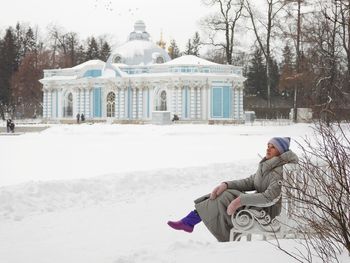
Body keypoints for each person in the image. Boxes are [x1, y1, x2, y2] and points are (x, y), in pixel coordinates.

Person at [167, 137, 299, 242]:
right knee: (224, 192)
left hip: (268, 211)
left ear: (281, 151)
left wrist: (240, 200)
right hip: (259, 206)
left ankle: (190, 222)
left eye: (273, 147)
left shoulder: (279, 170)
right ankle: (189, 221)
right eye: (268, 146)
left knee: (227, 197)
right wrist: (226, 184)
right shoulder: (268, 165)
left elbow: (270, 197)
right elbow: (250, 181)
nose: (268, 149)